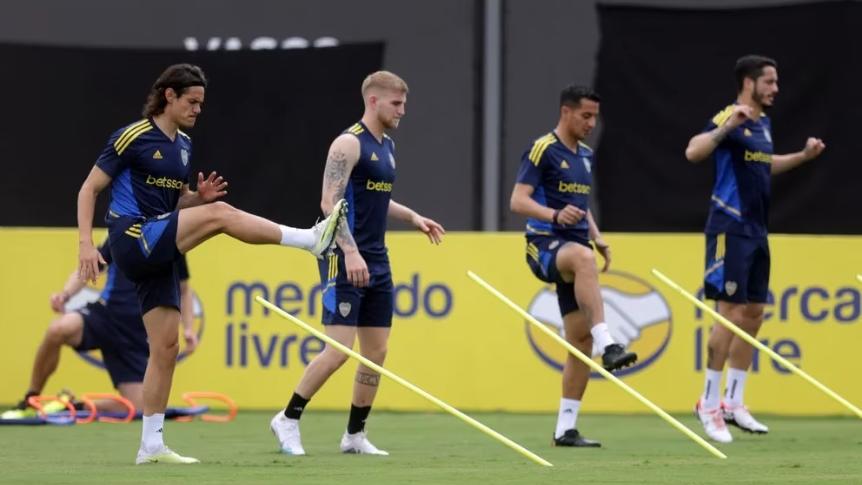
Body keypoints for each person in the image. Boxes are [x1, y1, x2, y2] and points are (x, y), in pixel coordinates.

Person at [76, 64, 346, 464]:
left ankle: (150, 446)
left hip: (158, 242)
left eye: (201, 103)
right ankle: (310, 240)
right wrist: (85, 244)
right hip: (131, 239)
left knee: (166, 347)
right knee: (221, 215)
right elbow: (89, 188)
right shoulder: (132, 136)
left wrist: (194, 199)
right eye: (192, 101)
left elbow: (170, 204)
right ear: (168, 95)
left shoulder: (183, 145)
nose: (198, 109)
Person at [270, 71, 445, 456]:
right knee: (338, 349)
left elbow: (380, 199)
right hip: (342, 255)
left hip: (376, 258)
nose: (403, 111)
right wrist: (350, 251)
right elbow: (329, 202)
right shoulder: (348, 144)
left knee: (376, 353)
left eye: (404, 104)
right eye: (396, 104)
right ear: (374, 101)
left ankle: (354, 435)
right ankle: (288, 418)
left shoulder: (389, 147)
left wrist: (413, 217)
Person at [685, 55, 825, 443]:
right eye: (770, 82)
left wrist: (802, 157)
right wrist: (725, 128)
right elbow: (693, 152)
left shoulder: (764, 123)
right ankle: (708, 404)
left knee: (754, 313)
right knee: (728, 315)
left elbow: (763, 165)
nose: (776, 89)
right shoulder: (732, 116)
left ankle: (734, 402)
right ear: (749, 82)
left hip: (757, 230)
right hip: (729, 225)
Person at [509, 85, 638, 448]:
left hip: (575, 247)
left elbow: (580, 205)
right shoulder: (542, 149)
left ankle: (565, 429)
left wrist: (597, 237)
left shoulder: (585, 154)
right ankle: (607, 341)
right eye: (585, 116)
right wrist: (553, 214)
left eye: (595, 117)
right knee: (582, 260)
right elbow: (517, 200)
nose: (591, 123)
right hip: (543, 246)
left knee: (578, 342)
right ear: (566, 112)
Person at [1, 242, 196, 419]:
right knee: (58, 329)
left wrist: (188, 328)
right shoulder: (123, 234)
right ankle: (31, 399)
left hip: (135, 335)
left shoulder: (171, 240)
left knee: (142, 408)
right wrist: (65, 294)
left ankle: (74, 406)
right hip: (105, 316)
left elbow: (184, 290)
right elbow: (88, 269)